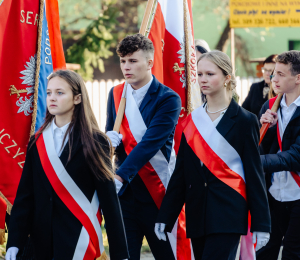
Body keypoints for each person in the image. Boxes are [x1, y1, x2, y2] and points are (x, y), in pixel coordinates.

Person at [154, 50, 271, 260]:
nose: (203, 80)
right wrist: (166, 215)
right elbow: (181, 172)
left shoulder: (245, 120)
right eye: (199, 74)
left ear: (227, 78)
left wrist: (262, 223)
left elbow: (254, 174)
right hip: (197, 212)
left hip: (229, 212)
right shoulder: (191, 120)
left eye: (210, 74)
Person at [5, 70, 129, 260]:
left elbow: (109, 202)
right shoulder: (37, 141)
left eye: (60, 93)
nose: (52, 98)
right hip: (40, 243)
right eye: (49, 93)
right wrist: (14, 241)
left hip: (78, 239)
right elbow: (25, 196)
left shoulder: (96, 141)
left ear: (77, 98)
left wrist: (120, 254)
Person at [105, 34, 181, 260]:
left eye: (133, 61)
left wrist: (119, 177)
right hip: (125, 196)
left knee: (166, 254)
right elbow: (112, 136)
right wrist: (107, 141)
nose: (126, 67)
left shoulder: (168, 98)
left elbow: (150, 143)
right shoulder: (116, 93)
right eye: (123, 61)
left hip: (156, 192)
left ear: (149, 63)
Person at [256, 50, 300, 260]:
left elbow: (295, 156)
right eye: (274, 73)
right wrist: (263, 128)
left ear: (298, 78)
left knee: (292, 252)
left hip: (298, 194)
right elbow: (259, 146)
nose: (274, 78)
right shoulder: (269, 105)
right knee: (265, 250)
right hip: (274, 192)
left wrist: (254, 162)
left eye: (281, 74)